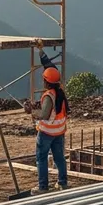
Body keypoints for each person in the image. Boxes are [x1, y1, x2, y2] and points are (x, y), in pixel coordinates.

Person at [24, 48, 69, 194]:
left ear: (46, 81)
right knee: (59, 158)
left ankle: (43, 186)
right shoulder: (60, 91)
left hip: (47, 132)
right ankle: (62, 183)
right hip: (59, 131)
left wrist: (31, 111)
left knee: (41, 158)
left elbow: (44, 114)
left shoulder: (49, 95)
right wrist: (41, 52)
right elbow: (50, 67)